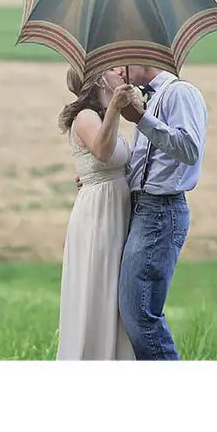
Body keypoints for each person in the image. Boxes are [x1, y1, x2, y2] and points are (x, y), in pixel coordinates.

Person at [114, 65, 208, 360]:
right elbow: (145, 165)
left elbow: (189, 149)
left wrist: (141, 119)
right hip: (145, 210)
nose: (117, 71)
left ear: (142, 58)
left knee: (139, 313)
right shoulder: (150, 98)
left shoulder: (180, 93)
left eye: (121, 63)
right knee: (133, 311)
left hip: (160, 211)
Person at [55, 66, 137, 360]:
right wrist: (115, 107)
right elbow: (102, 151)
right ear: (101, 79)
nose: (121, 72)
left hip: (115, 209)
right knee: (98, 287)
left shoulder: (102, 118)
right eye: (114, 69)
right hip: (98, 216)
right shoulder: (86, 117)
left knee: (114, 292)